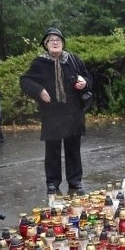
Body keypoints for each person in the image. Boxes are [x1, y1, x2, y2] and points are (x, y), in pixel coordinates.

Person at [20, 28, 91, 196]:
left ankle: (75, 181)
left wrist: (85, 83)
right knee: (52, 150)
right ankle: (52, 182)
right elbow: (25, 80)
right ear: (46, 45)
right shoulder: (40, 63)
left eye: (58, 39)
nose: (54, 42)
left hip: (73, 112)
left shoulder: (73, 60)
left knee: (73, 148)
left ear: (63, 43)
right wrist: (38, 90)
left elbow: (89, 78)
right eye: (50, 40)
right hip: (52, 113)